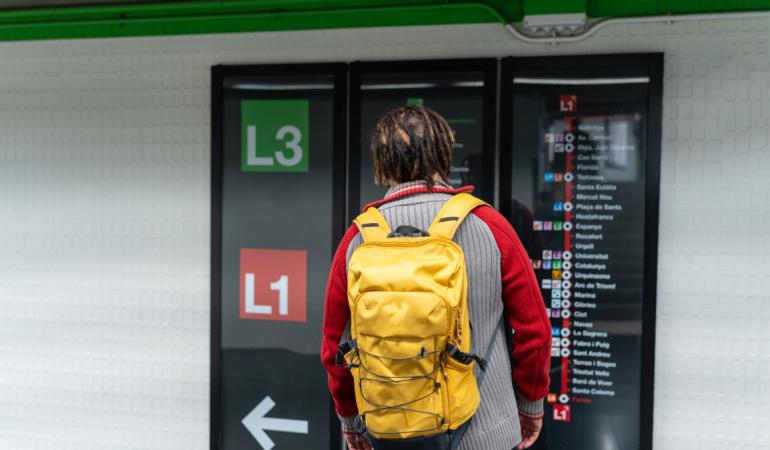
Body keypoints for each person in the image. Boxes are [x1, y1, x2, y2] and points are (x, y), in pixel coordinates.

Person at [321, 105, 551, 450]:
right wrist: (530, 405)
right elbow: (535, 333)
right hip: (486, 435)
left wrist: (352, 424)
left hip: (390, 432)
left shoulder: (357, 239)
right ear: (444, 154)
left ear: (381, 162)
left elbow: (333, 349)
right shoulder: (490, 226)